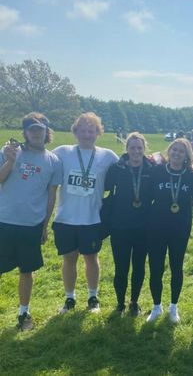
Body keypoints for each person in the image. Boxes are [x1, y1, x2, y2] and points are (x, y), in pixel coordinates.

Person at [0, 113, 62, 331]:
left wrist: (44, 226)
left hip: (32, 225)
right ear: (25, 133)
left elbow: (51, 196)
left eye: (40, 129)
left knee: (27, 270)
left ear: (47, 132)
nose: (36, 133)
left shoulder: (53, 161)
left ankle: (23, 313)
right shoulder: (10, 151)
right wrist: (9, 161)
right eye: (32, 129)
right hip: (4, 221)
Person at [52, 112, 118, 314]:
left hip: (92, 218)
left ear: (98, 133)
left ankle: (92, 297)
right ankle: (69, 298)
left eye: (91, 131)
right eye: (83, 131)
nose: (87, 135)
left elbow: (129, 165)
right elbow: (42, 161)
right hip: (65, 218)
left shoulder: (107, 155)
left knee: (91, 258)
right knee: (69, 259)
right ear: (75, 132)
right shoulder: (63, 152)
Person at [146, 139, 193, 323]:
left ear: (187, 156)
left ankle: (173, 307)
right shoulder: (158, 171)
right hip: (157, 226)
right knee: (156, 267)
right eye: (174, 150)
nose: (177, 154)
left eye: (182, 151)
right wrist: (150, 159)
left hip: (180, 228)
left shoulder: (192, 176)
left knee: (177, 267)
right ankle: (156, 307)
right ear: (169, 152)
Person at [104, 132, 153, 316]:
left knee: (139, 266)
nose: (136, 151)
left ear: (144, 149)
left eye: (139, 147)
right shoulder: (116, 169)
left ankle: (134, 301)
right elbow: (105, 187)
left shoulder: (151, 169)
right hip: (120, 226)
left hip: (143, 227)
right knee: (121, 267)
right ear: (127, 149)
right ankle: (120, 302)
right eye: (132, 147)